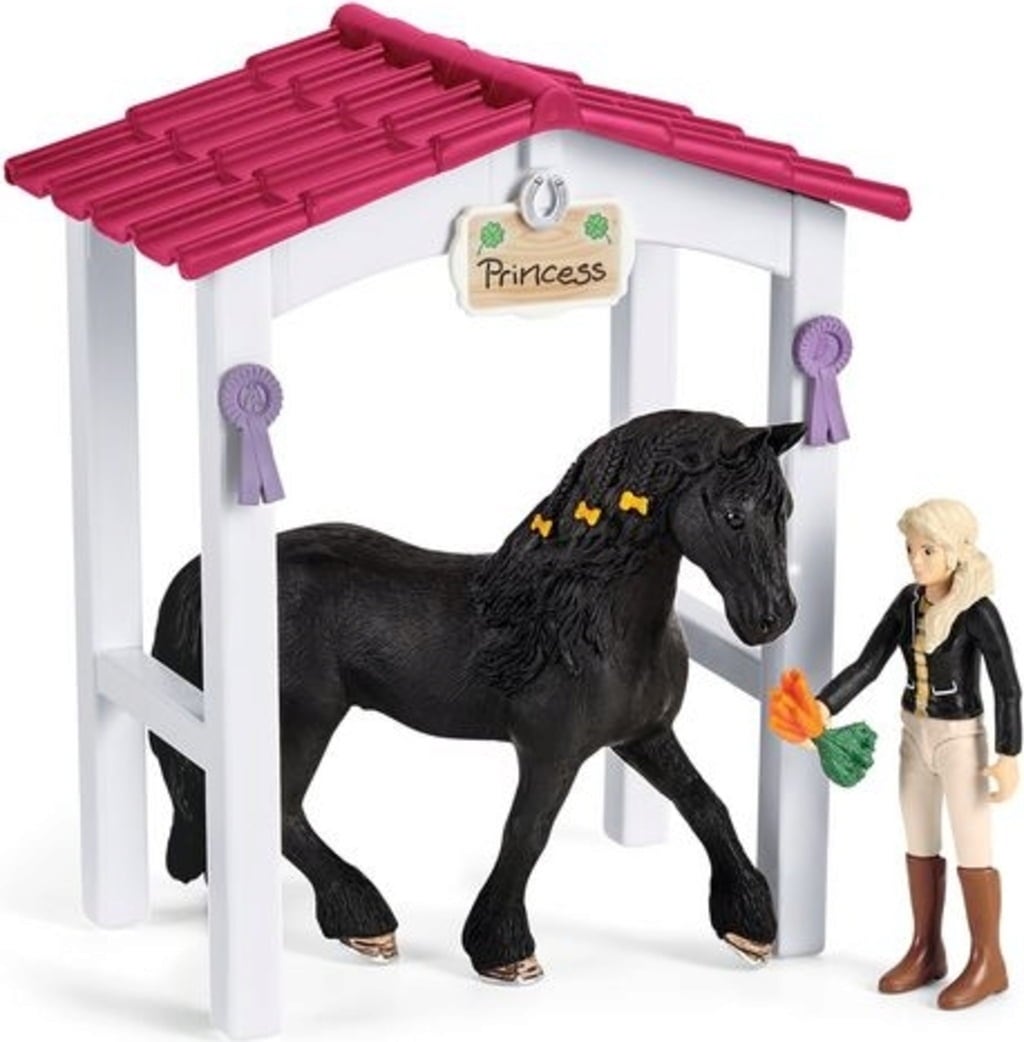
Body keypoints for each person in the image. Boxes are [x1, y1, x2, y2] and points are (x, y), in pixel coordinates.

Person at [816, 498, 1020, 1010]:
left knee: (973, 848)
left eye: (927, 549)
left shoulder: (976, 611)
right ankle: (926, 949)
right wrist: (824, 704)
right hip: (914, 734)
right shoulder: (908, 604)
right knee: (920, 842)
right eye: (911, 548)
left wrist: (1009, 754)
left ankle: (988, 959)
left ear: (955, 550)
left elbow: (1008, 687)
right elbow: (869, 663)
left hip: (961, 740)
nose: (915, 559)